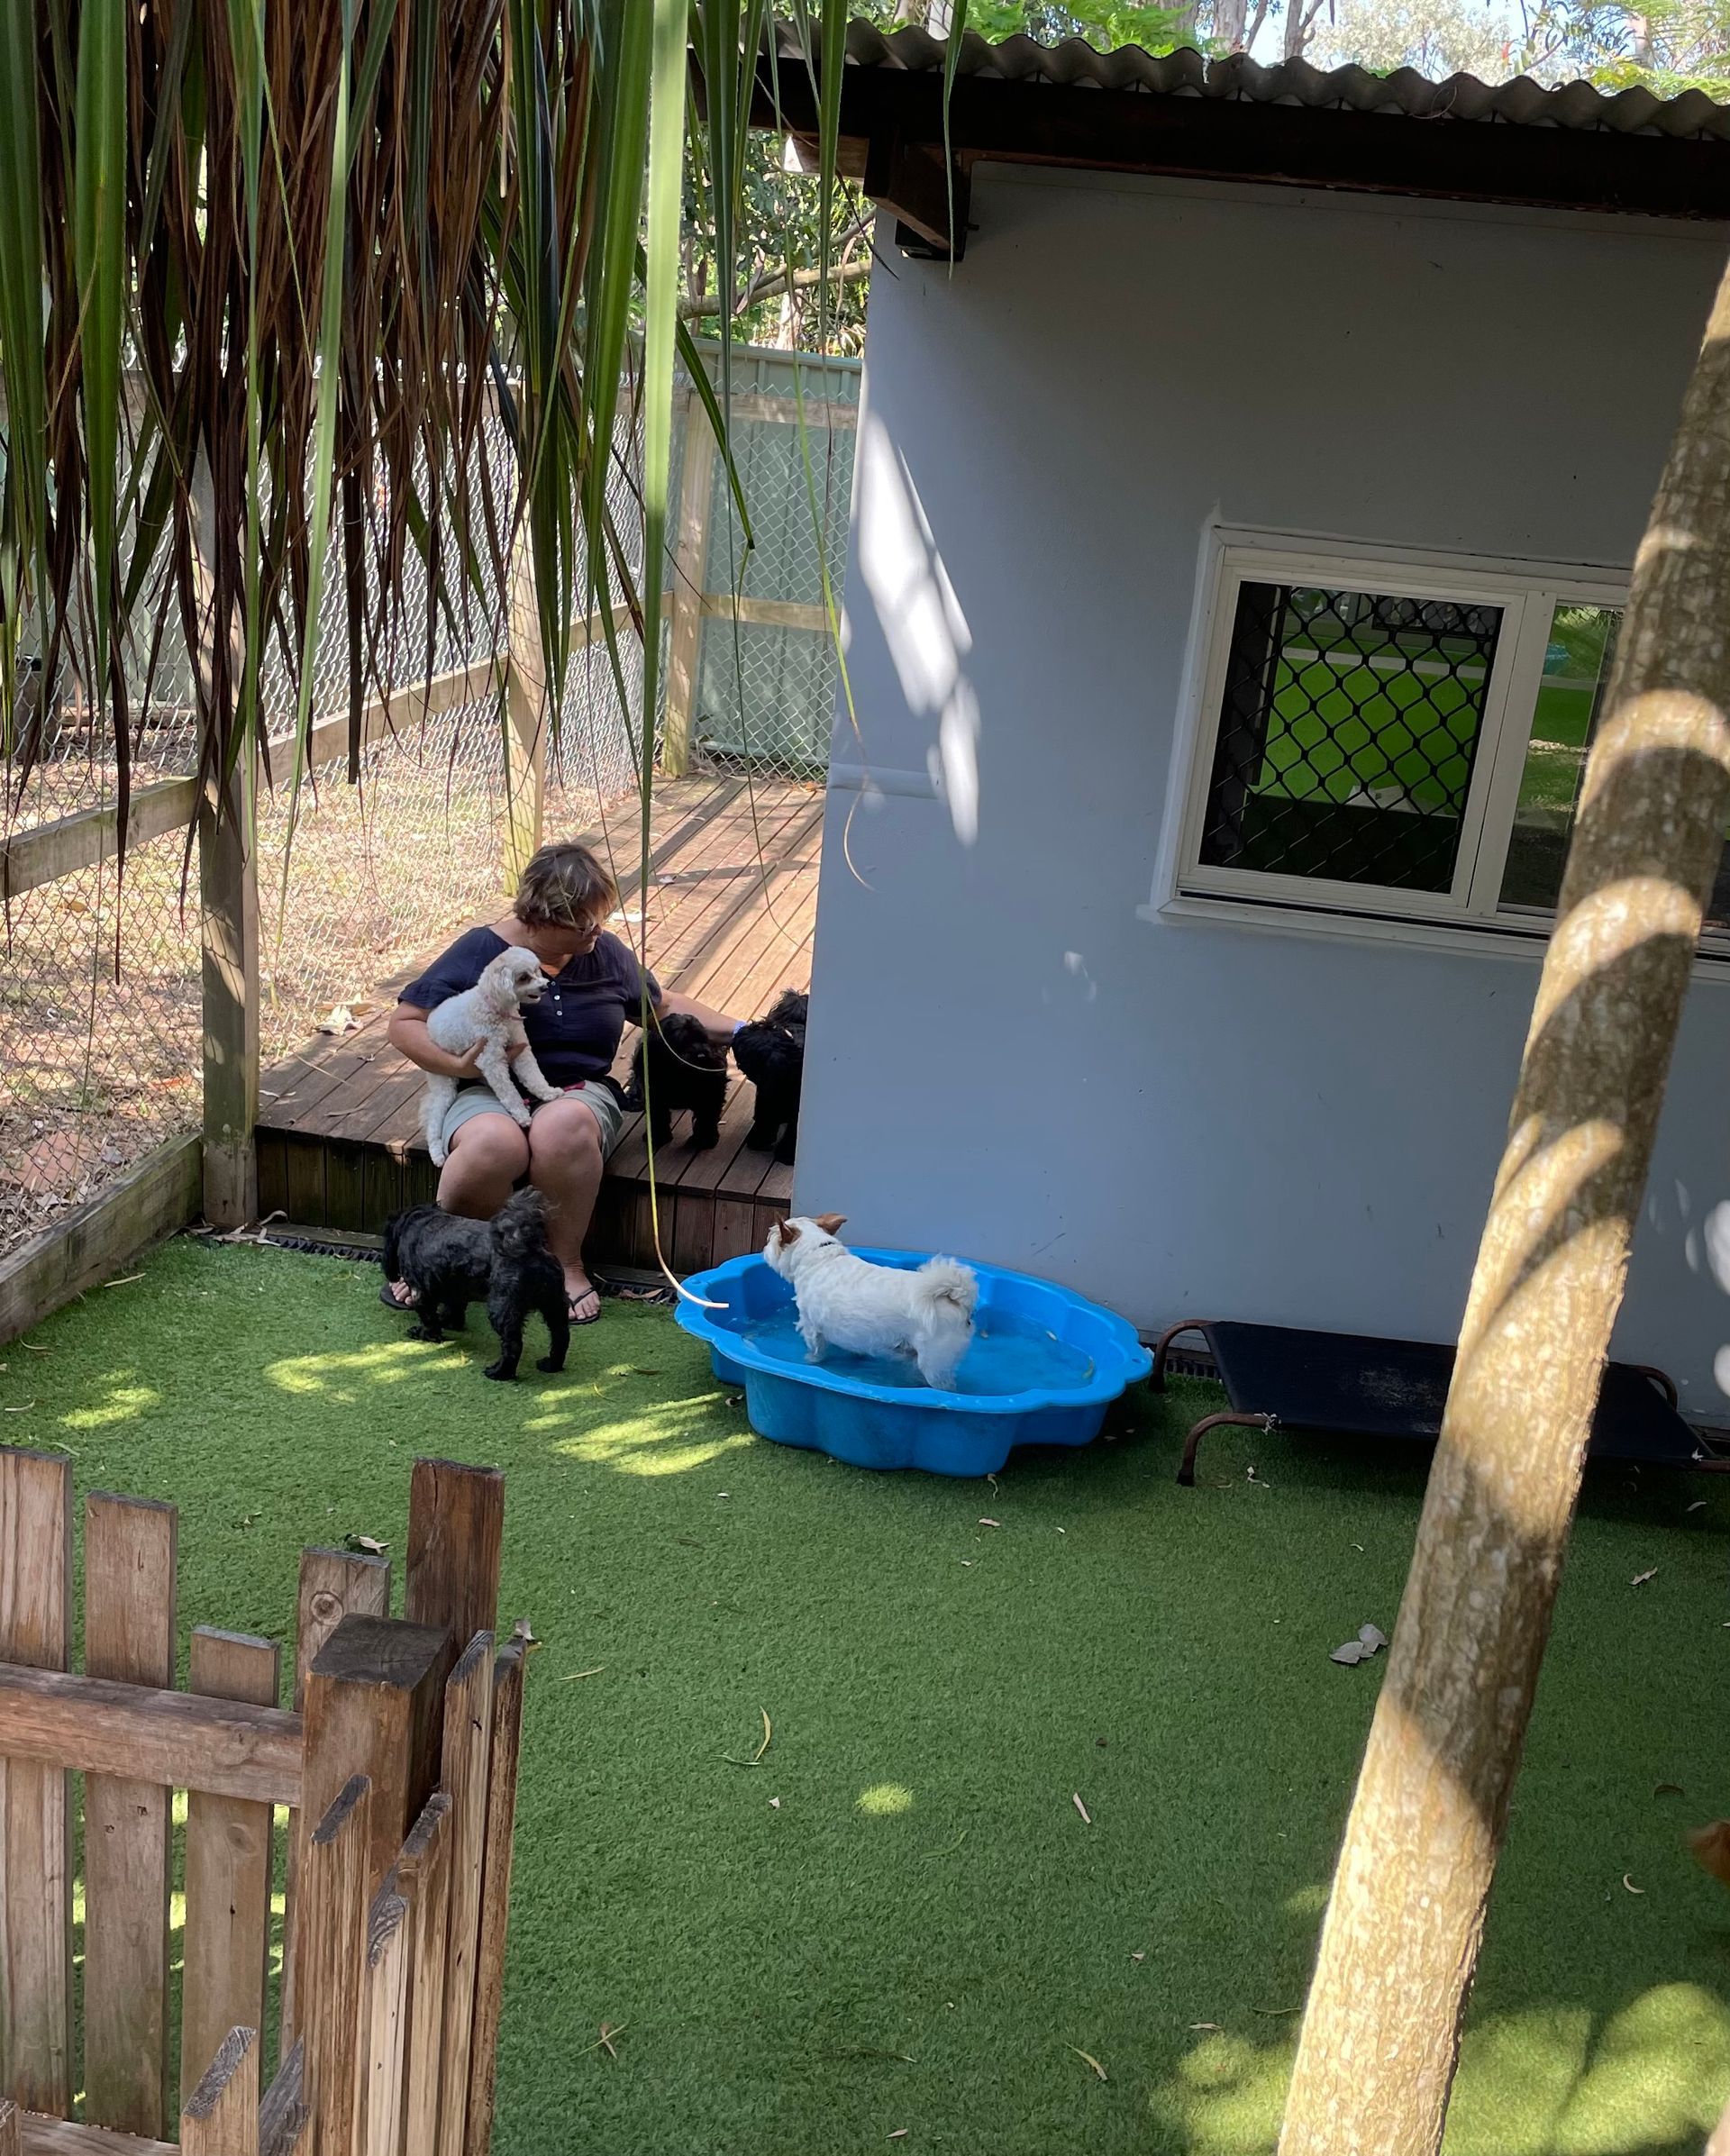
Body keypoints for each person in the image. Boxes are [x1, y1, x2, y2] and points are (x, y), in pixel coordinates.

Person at [381, 841, 739, 1326]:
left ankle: (564, 1265)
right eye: (581, 922)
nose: (595, 931)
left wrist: (744, 1031)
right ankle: (440, 1256)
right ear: (537, 917)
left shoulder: (606, 953)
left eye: (599, 918)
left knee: (562, 1126)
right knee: (491, 1144)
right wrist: (462, 1068)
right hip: (484, 1087)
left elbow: (664, 1007)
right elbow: (406, 1023)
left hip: (576, 1088)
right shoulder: (481, 951)